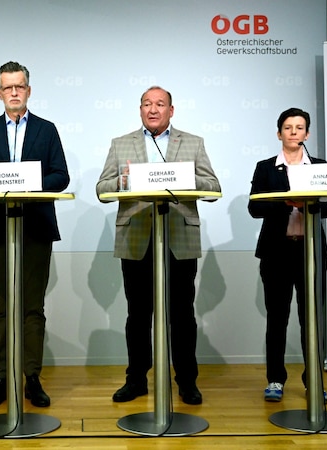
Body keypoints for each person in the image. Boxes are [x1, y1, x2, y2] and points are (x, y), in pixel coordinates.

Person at [96, 86, 220, 405]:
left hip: (178, 237)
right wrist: (126, 181)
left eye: (160, 104)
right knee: (138, 315)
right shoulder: (120, 144)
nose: (153, 109)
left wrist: (183, 178)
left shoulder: (192, 143)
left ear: (171, 110)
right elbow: (102, 188)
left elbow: (213, 186)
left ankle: (186, 381)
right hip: (137, 238)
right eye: (147, 104)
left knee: (181, 315)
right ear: (140, 110)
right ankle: (136, 379)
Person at [0, 61, 70, 408]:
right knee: (2, 308)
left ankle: (31, 377)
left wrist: (28, 185)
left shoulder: (47, 129)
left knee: (32, 308)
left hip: (37, 227)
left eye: (20, 86)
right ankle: (1, 377)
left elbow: (61, 176)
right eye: (8, 87)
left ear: (28, 90)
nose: (14, 92)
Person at [247, 107, 327, 403]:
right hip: (276, 253)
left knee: (311, 319)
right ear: (279, 133)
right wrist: (286, 203)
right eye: (288, 127)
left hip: (310, 252)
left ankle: (314, 380)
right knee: (277, 318)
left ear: (307, 134)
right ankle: (275, 379)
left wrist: (309, 203)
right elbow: (255, 208)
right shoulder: (265, 168)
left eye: (300, 128)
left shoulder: (319, 165)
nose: (294, 132)